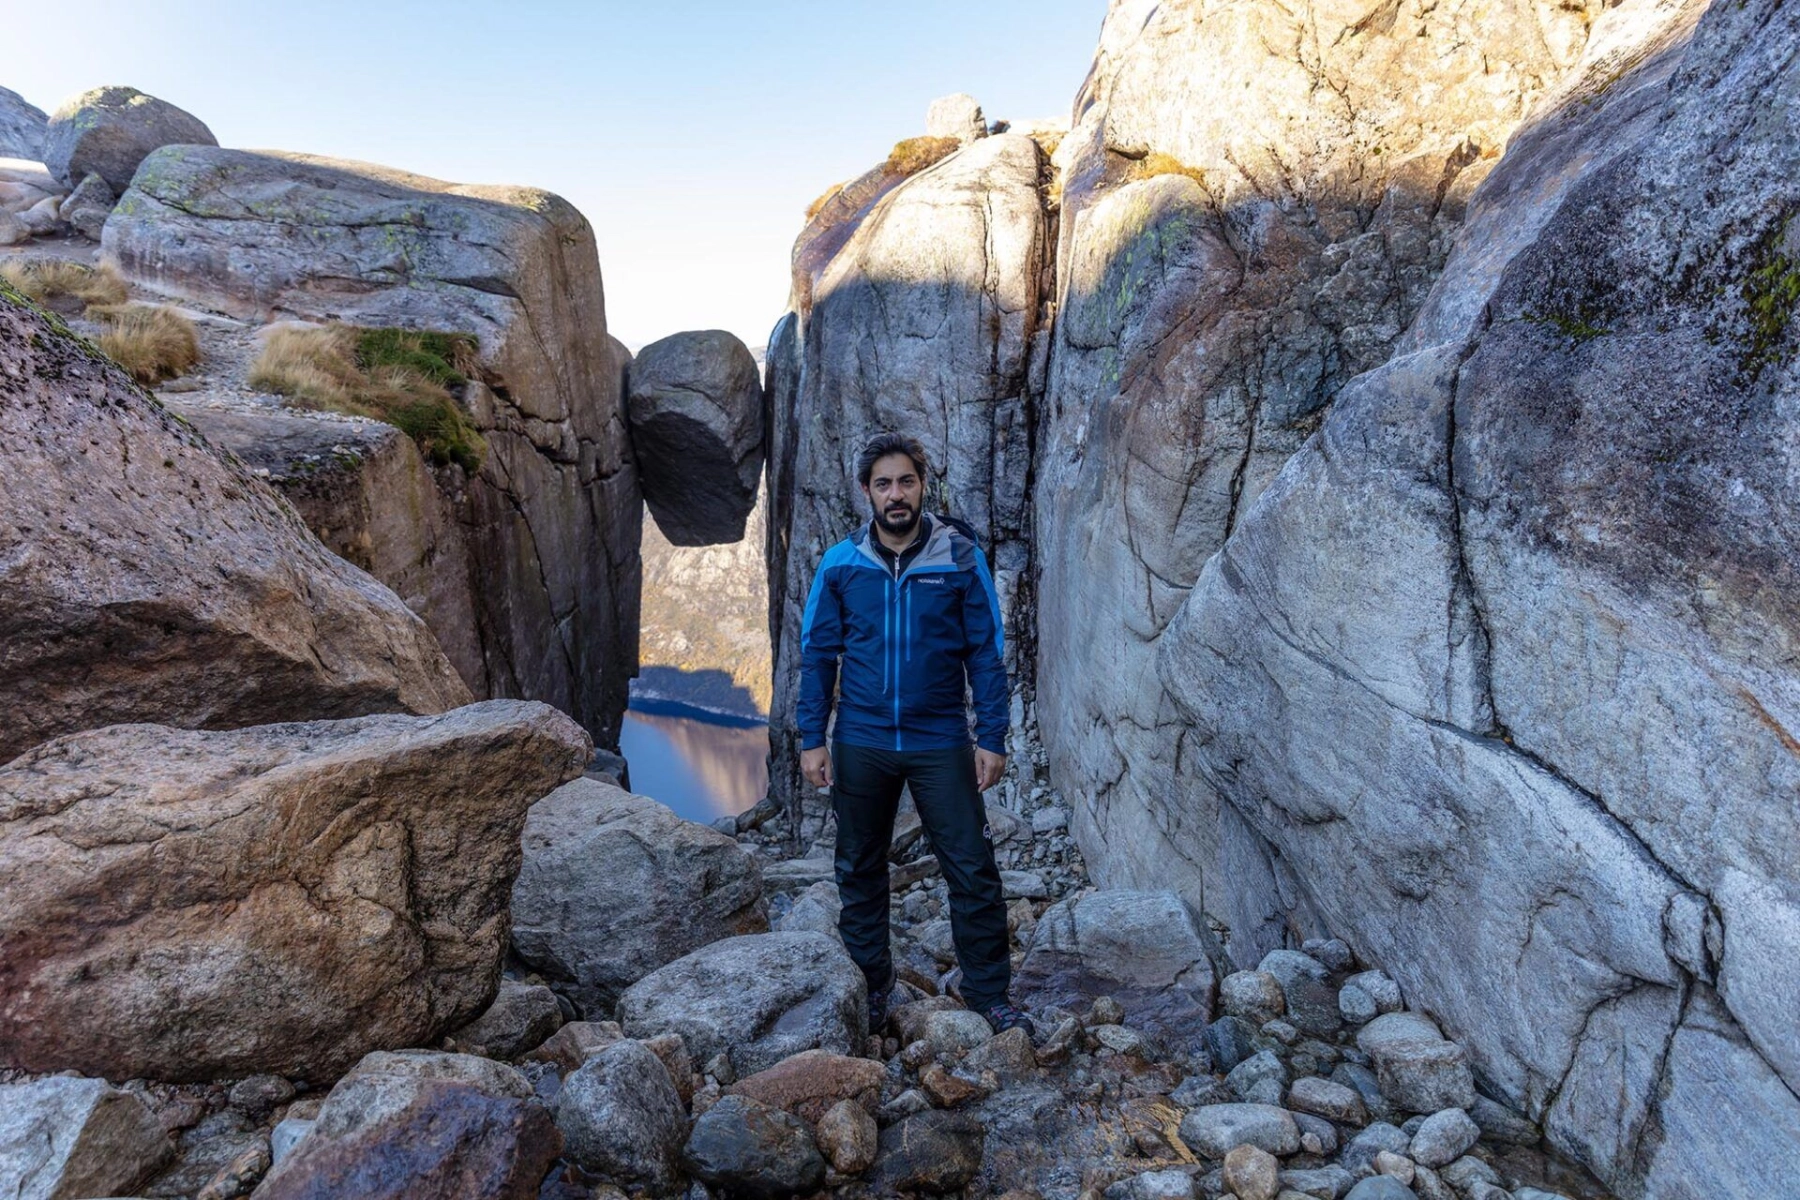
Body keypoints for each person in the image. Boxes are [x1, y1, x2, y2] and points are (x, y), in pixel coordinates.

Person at [796, 432, 1034, 1040]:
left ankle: (988, 993)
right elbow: (819, 654)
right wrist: (811, 738)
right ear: (866, 492)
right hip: (862, 738)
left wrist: (994, 736)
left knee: (973, 868)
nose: (895, 494)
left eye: (905, 481)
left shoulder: (957, 556)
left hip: (940, 738)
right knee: (858, 866)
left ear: (923, 485)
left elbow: (985, 651)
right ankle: (873, 986)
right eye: (883, 484)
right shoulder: (842, 563)